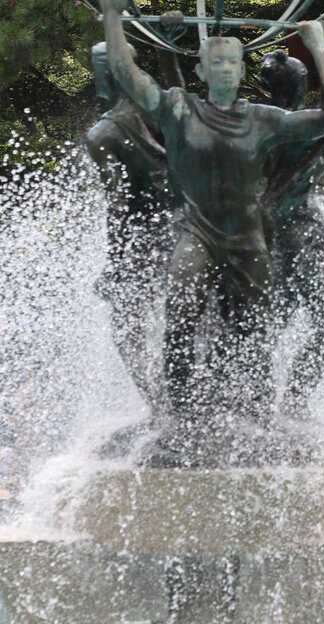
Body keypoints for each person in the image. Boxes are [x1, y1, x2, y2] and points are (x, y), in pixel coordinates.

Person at [98, 1, 324, 427]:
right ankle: (179, 417)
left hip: (247, 240)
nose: (227, 69)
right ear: (201, 72)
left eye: (233, 61)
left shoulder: (264, 120)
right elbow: (127, 74)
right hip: (197, 232)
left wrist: (320, 45)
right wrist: (112, 16)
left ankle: (257, 417)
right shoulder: (179, 109)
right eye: (217, 63)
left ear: (242, 69)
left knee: (255, 334)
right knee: (179, 320)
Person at [258, 49, 324, 417]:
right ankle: (294, 402)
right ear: (304, 83)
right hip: (299, 228)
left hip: (269, 229)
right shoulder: (295, 124)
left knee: (270, 324)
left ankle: (263, 401)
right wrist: (321, 47)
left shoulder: (258, 121)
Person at [85, 41, 173, 413]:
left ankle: (161, 406)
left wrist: (115, 264)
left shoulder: (103, 134)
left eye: (96, 67)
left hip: (143, 238)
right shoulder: (165, 108)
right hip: (194, 225)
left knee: (128, 328)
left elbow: (118, 206)